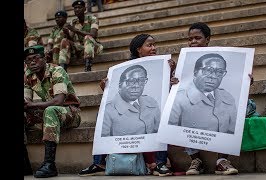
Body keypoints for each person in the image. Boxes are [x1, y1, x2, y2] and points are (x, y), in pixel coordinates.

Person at [79, 34, 176, 177]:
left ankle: (159, 162)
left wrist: (171, 76)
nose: (154, 48)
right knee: (104, 113)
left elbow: (163, 94)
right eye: (149, 45)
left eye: (154, 45)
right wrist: (106, 87)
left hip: (147, 114)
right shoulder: (123, 69)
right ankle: (99, 162)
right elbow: (115, 93)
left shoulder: (164, 65)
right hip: (127, 119)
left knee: (160, 113)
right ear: (138, 49)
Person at [170, 22, 241, 175]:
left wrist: (246, 82)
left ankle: (222, 160)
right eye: (190, 39)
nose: (193, 42)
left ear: (207, 39)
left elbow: (237, 84)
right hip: (190, 102)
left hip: (218, 102)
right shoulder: (183, 63)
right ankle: (196, 159)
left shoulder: (226, 95)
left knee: (227, 113)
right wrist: (172, 81)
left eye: (198, 38)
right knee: (186, 111)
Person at [24, 45, 81, 178]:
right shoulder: (28, 75)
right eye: (28, 60)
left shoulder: (57, 71)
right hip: (49, 113)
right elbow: (27, 101)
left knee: (50, 110)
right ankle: (25, 164)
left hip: (70, 113)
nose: (32, 62)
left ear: (44, 59)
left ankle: (50, 164)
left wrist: (31, 105)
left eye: (35, 58)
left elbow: (58, 101)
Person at [168, 53, 237, 133]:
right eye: (208, 70)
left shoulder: (228, 97)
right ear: (195, 72)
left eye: (220, 72)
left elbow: (232, 131)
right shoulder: (178, 98)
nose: (213, 76)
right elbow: (171, 134)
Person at [101, 65, 160, 136]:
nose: (136, 85)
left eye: (141, 80)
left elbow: (160, 131)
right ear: (120, 85)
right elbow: (104, 143)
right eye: (131, 81)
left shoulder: (151, 101)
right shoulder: (107, 111)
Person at [63, 0, 104, 72]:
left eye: (79, 7)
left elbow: (93, 35)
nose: (77, 9)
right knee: (64, 41)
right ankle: (63, 68)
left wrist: (75, 30)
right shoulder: (74, 22)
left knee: (88, 37)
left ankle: (87, 67)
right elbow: (71, 39)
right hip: (81, 48)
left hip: (94, 47)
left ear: (84, 9)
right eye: (75, 8)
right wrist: (66, 33)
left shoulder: (93, 19)